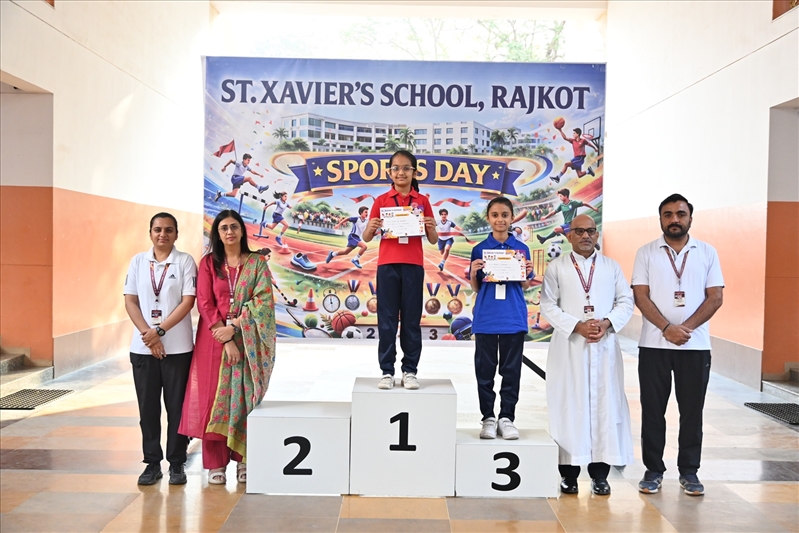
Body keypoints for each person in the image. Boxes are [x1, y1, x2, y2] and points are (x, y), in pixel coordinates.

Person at [632, 194, 724, 496]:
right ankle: (653, 470)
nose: (674, 219)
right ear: (660, 219)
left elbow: (715, 297)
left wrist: (686, 329)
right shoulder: (646, 252)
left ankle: (689, 471)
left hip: (694, 347)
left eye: (680, 214)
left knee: (692, 411)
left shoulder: (707, 252)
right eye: (668, 214)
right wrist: (666, 328)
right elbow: (641, 296)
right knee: (652, 410)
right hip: (654, 345)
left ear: (690, 218)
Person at [179, 209, 276, 485]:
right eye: (224, 228)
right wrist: (224, 336)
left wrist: (234, 328)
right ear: (217, 234)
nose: (230, 232)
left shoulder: (257, 263)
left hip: (247, 340)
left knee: (244, 397)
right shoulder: (209, 263)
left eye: (234, 227)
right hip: (213, 339)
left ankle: (244, 459)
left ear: (242, 230)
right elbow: (204, 302)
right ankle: (215, 464)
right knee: (213, 399)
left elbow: (263, 301)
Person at [540, 214, 634, 496]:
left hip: (604, 347)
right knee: (569, 406)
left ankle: (600, 475)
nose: (586, 236)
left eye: (591, 231)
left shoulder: (611, 267)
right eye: (579, 231)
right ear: (569, 236)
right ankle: (568, 475)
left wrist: (606, 323)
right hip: (570, 347)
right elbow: (548, 305)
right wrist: (577, 326)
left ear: (597, 235)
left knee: (605, 407)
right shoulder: (557, 267)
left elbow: (626, 301)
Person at [123, 213, 197, 486]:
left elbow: (188, 301)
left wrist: (160, 332)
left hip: (177, 349)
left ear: (176, 234)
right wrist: (149, 335)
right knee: (148, 409)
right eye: (157, 229)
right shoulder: (138, 262)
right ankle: (152, 463)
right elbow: (130, 301)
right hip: (143, 349)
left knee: (177, 408)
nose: (162, 234)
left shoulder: (185, 261)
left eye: (168, 230)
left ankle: (177, 463)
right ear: (150, 233)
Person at [363, 150, 437, 390]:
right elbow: (366, 237)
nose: (401, 172)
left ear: (414, 172)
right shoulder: (381, 201)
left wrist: (431, 226)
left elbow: (433, 239)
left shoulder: (422, 201)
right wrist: (371, 226)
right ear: (390, 172)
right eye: (396, 168)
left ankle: (410, 370)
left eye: (406, 168)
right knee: (386, 320)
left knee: (411, 320)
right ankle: (387, 371)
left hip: (413, 266)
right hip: (387, 266)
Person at [468, 197, 535, 440]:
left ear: (512, 218)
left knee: (511, 371)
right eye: (495, 215)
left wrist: (527, 272)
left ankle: (507, 417)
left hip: (512, 317)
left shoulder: (521, 249)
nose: (500, 220)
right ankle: (488, 418)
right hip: (486, 317)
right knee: (485, 371)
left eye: (505, 215)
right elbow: (477, 288)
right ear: (488, 218)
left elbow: (525, 285)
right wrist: (474, 273)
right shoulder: (479, 249)